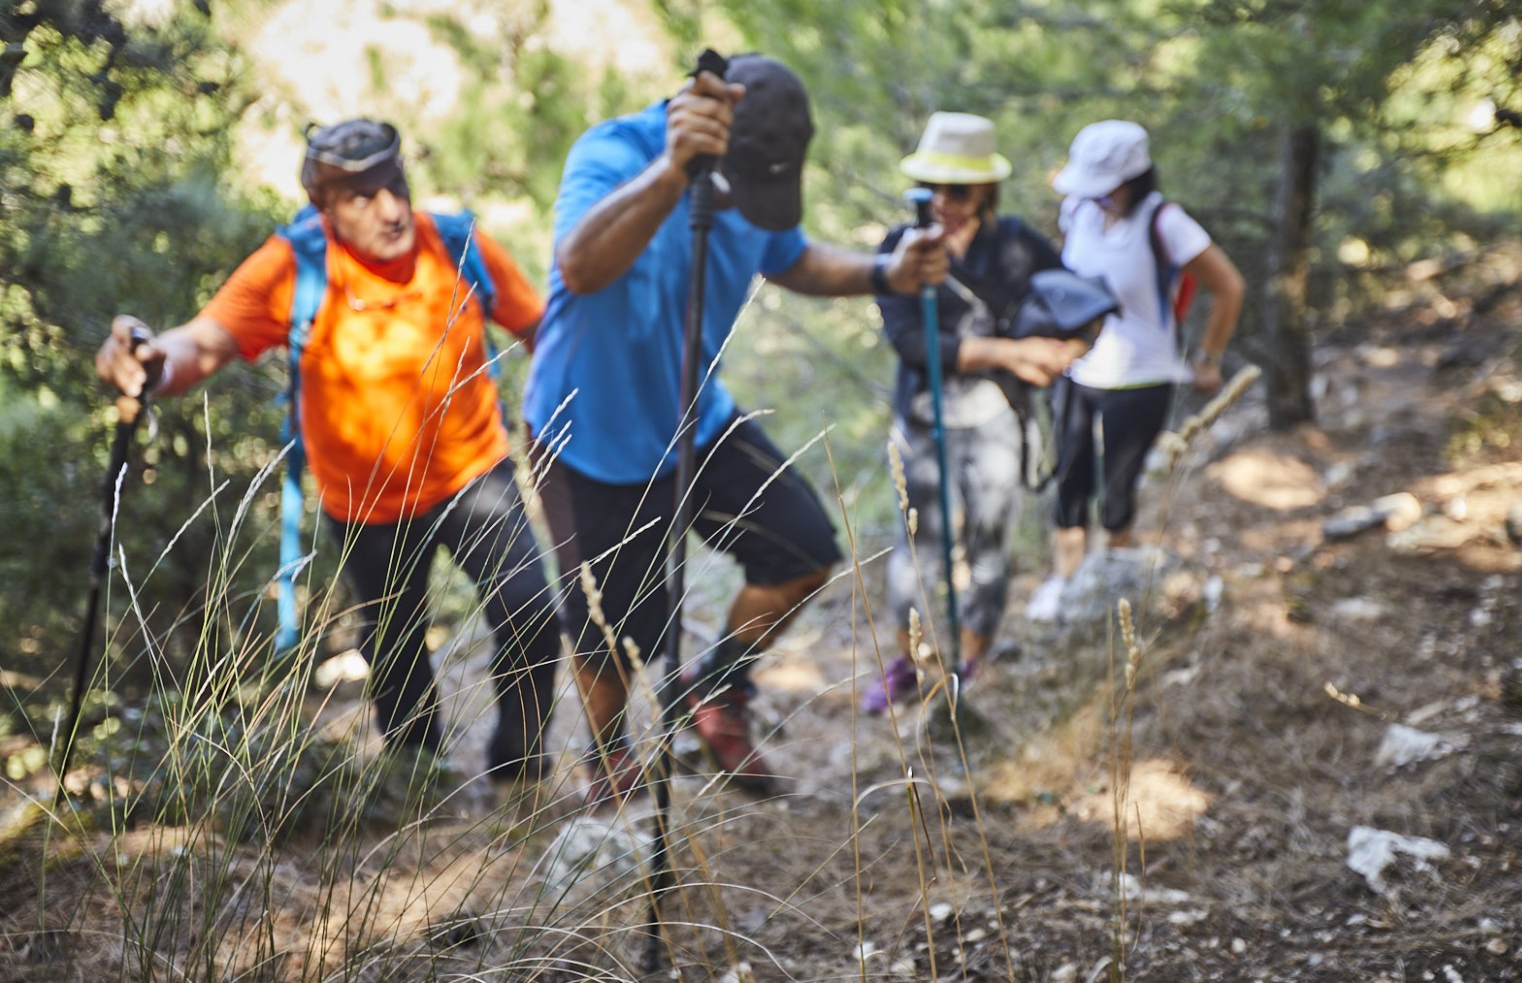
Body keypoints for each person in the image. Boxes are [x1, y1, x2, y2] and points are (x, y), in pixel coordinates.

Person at [523, 53, 948, 804]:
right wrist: (670, 176)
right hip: (587, 434)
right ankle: (609, 760)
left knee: (802, 552)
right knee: (612, 629)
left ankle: (713, 687)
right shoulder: (615, 151)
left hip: (698, 417)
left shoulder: (754, 175)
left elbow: (792, 258)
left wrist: (887, 272)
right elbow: (580, 266)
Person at [95, 119, 561, 788]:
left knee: (532, 609)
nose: (390, 208)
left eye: (394, 185)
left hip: (474, 473)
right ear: (325, 207)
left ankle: (520, 759)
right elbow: (201, 344)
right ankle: (417, 778)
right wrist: (146, 361)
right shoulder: (295, 265)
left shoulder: (457, 246)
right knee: (395, 643)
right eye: (361, 196)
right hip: (366, 501)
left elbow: (545, 330)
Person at [862, 112, 1100, 713]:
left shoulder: (1017, 243)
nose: (944, 202)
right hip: (923, 421)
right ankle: (914, 665)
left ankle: (972, 661)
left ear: (984, 191)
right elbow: (913, 344)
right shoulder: (900, 249)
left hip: (998, 421)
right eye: (933, 188)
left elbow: (1085, 307)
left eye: (959, 190)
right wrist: (1013, 352)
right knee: (916, 551)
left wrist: (1061, 355)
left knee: (990, 547)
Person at [1025, 120, 1246, 620]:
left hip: (1142, 376)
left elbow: (1228, 285)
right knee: (1069, 482)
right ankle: (1066, 584)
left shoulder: (1166, 223)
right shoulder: (1077, 211)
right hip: (1077, 370)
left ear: (1130, 181)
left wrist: (1208, 358)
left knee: (1117, 491)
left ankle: (1109, 591)